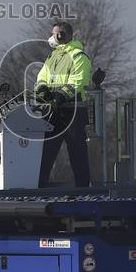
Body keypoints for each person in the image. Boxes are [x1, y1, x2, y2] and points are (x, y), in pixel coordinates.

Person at [35, 22, 92, 188]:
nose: (54, 37)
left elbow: (78, 81)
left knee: (78, 154)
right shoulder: (53, 57)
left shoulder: (78, 56)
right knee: (45, 153)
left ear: (62, 35)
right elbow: (42, 77)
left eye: (56, 34)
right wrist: (42, 90)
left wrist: (59, 96)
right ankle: (40, 187)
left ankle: (83, 189)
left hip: (72, 111)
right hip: (54, 112)